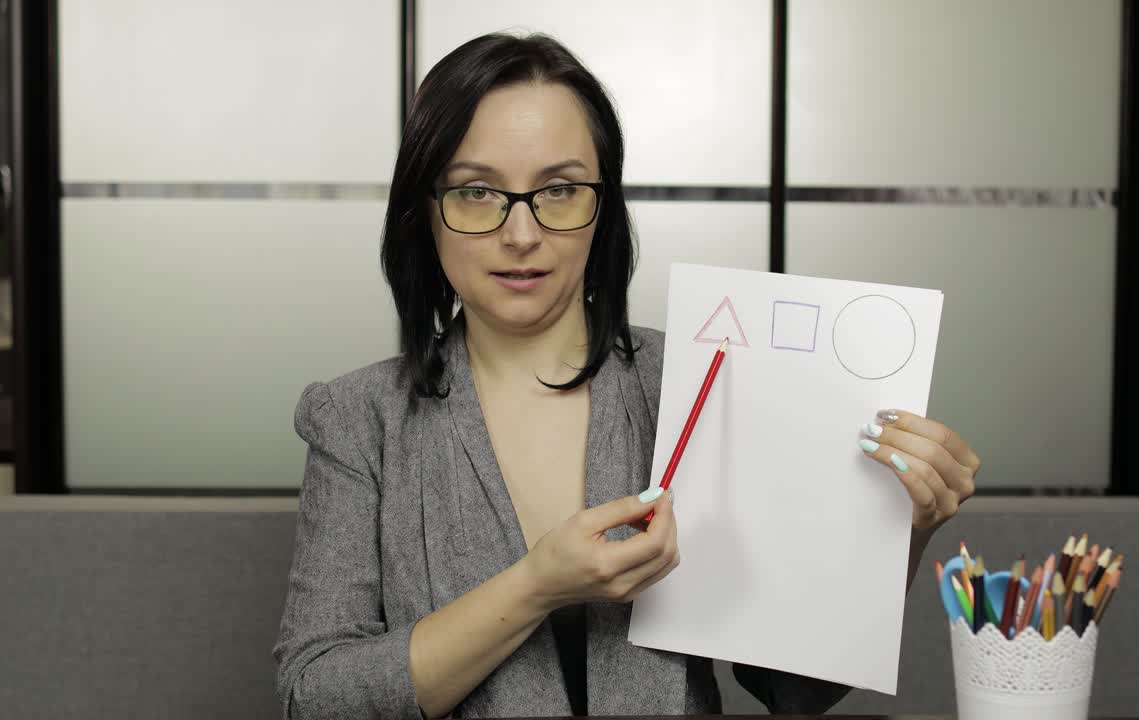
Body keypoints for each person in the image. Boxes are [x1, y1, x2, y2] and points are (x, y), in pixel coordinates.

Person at [272, 32, 981, 720]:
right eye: (477, 192)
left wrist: (897, 533)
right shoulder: (357, 418)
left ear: (603, 207)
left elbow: (791, 689)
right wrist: (536, 586)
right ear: (424, 213)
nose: (522, 234)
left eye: (560, 189)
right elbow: (315, 696)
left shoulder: (696, 385)